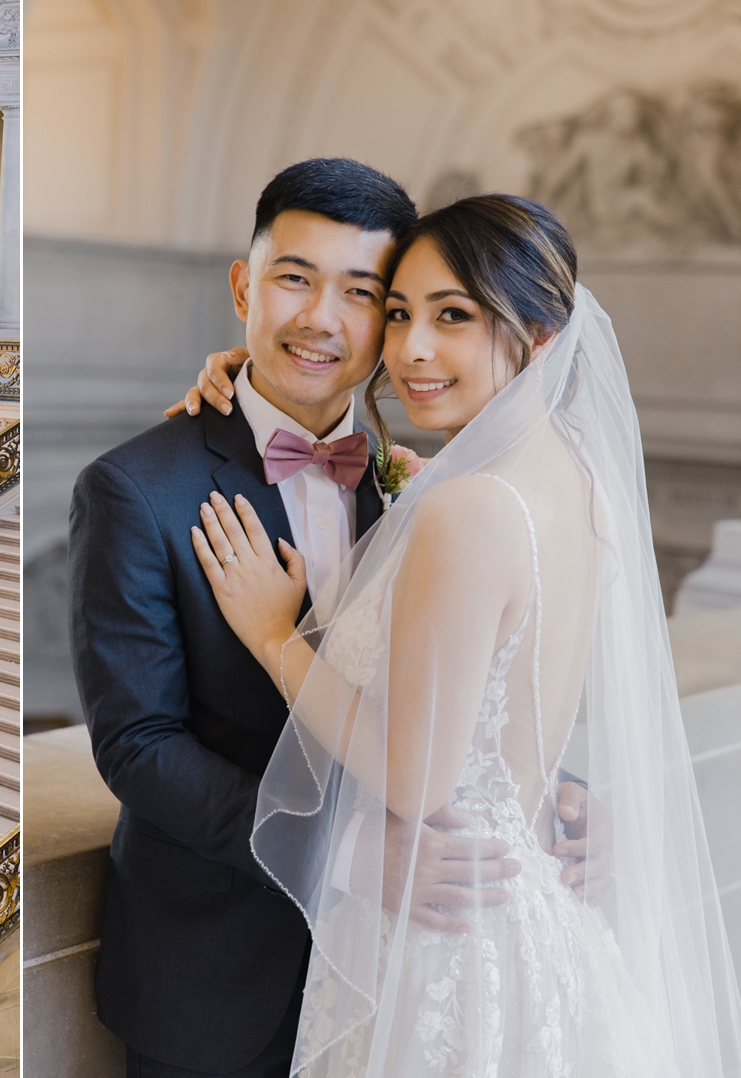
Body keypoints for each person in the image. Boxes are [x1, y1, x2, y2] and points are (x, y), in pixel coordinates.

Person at [68, 159, 604, 1078]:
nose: (322, 319)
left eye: (364, 295)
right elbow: (139, 747)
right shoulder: (134, 490)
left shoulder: (420, 479)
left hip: (406, 970)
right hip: (215, 978)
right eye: (293, 279)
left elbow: (488, 666)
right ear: (245, 285)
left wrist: (555, 787)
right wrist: (347, 851)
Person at [190, 194, 741, 1074]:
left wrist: (273, 637)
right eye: (401, 313)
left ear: (543, 336)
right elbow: (502, 698)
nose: (411, 350)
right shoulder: (576, 480)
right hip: (524, 907)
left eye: (455, 317)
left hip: (444, 937)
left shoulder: (466, 506)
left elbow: (418, 772)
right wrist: (238, 370)